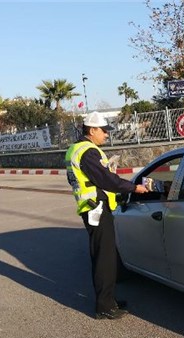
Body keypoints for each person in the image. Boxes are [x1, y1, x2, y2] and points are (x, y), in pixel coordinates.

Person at [65, 111, 149, 320]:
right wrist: (133, 188)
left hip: (94, 208)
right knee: (105, 258)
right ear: (92, 130)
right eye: (104, 131)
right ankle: (104, 306)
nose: (106, 135)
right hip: (96, 209)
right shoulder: (88, 152)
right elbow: (106, 180)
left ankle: (108, 300)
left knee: (104, 255)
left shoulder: (77, 150)